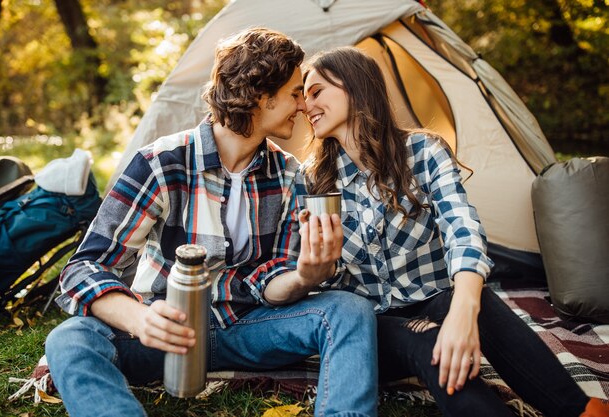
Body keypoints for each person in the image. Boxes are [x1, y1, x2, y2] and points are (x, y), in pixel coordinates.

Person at [45, 30, 378, 417]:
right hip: (166, 330)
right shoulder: (161, 163)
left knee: (349, 310)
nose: (304, 106)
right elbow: (84, 268)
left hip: (246, 327)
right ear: (260, 96)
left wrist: (305, 276)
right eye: (294, 93)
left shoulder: (288, 176)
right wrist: (140, 318)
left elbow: (275, 280)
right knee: (70, 339)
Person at [297, 46, 609, 417]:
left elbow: (462, 226)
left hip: (432, 297)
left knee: (471, 302)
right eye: (303, 96)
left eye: (316, 91)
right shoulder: (315, 181)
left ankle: (582, 409)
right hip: (369, 327)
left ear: (355, 87)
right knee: (428, 339)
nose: (306, 105)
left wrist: (464, 310)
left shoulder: (423, 152)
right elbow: (320, 281)